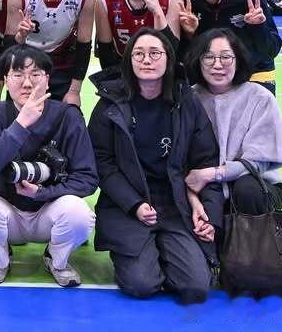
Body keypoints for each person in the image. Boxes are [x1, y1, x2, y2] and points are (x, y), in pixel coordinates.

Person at [87, 29, 222, 304]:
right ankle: (140, 252)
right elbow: (102, 162)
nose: (146, 60)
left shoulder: (187, 102)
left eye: (155, 53)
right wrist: (134, 204)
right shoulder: (109, 105)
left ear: (168, 59)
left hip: (176, 203)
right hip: (128, 205)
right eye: (138, 54)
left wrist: (209, 214)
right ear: (129, 61)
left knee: (196, 287)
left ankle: (167, 248)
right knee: (141, 284)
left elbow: (205, 160)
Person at [0, 45, 98, 287]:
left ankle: (57, 260)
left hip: (50, 211)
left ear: (47, 80)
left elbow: (88, 178)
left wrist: (42, 193)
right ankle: (0, 259)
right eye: (17, 74)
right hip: (8, 212)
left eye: (35, 74)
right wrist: (20, 124)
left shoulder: (67, 116)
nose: (27, 83)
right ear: (6, 79)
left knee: (79, 214)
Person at [185, 29, 282, 218]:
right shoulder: (190, 98)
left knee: (247, 189)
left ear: (238, 60)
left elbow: (259, 162)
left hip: (255, 183)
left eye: (226, 57)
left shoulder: (260, 97)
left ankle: (255, 236)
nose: (217, 65)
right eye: (209, 57)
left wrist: (213, 174)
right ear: (198, 61)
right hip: (203, 186)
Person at [5, 0, 95, 106]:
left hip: (63, 67)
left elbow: (84, 45)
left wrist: (74, 91)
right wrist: (20, 36)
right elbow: (10, 47)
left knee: (71, 115)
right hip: (26, 66)